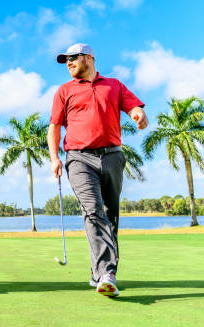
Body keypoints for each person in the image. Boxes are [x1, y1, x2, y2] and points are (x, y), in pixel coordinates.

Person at [47, 43, 148, 297]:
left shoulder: (114, 85)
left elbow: (132, 106)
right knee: (92, 210)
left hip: (112, 156)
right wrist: (54, 157)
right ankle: (107, 273)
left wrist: (138, 115)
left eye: (73, 58)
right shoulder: (64, 91)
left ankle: (98, 272)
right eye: (65, 60)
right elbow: (54, 127)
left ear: (89, 58)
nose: (68, 63)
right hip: (78, 158)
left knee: (109, 215)